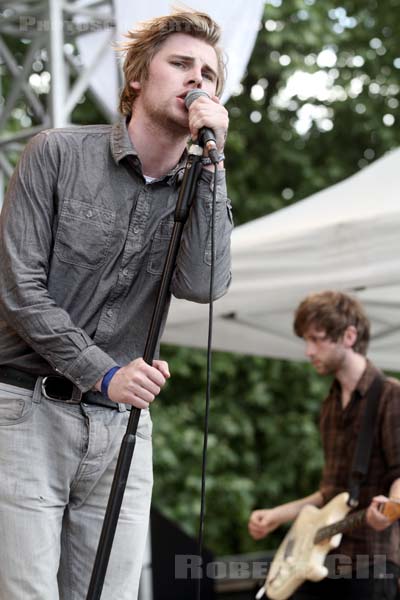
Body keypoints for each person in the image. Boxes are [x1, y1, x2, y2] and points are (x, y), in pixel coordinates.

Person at [0, 10, 232, 600]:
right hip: (27, 410)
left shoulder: (198, 182)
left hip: (124, 428)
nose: (196, 81)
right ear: (137, 79)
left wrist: (214, 166)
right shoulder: (56, 153)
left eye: (208, 73)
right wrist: (104, 371)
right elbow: (19, 288)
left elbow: (205, 284)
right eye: (181, 64)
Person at [248, 291, 400, 600]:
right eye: (306, 340)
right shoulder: (329, 406)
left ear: (349, 336)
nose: (307, 351)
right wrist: (278, 514)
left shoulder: (390, 395)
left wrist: (392, 507)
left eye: (316, 339)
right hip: (321, 561)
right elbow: (331, 493)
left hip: (372, 561)